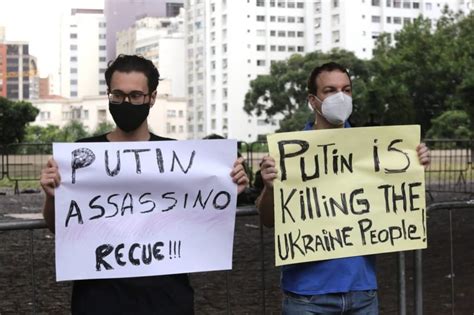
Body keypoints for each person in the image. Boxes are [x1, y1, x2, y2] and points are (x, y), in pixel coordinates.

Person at [40, 54, 249, 315]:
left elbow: (203, 214)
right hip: (99, 299)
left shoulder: (179, 155)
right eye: (118, 95)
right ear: (109, 95)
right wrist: (51, 195)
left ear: (152, 97)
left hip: (166, 298)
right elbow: (57, 225)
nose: (126, 102)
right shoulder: (82, 153)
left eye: (136, 95)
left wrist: (229, 186)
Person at [256, 62, 430, 314]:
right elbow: (268, 220)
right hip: (307, 298)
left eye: (346, 89)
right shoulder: (289, 154)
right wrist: (271, 188)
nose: (340, 96)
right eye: (330, 90)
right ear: (313, 100)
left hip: (362, 293)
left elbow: (397, 200)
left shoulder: (372, 150)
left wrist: (415, 163)